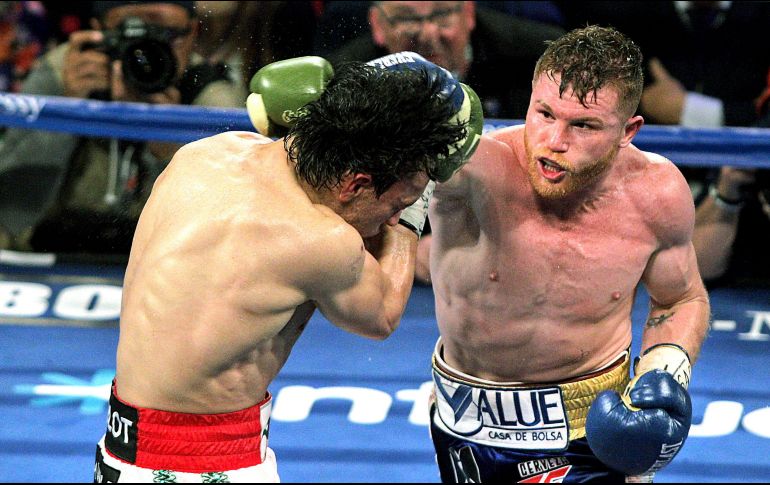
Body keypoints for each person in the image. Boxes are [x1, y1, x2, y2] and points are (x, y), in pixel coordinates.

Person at [94, 52, 483, 482]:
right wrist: (416, 212)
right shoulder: (318, 242)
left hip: (121, 449)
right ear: (356, 184)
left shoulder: (205, 154)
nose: (391, 220)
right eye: (397, 204)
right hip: (204, 464)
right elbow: (382, 314)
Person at [418, 26, 710, 482]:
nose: (554, 139)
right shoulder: (473, 168)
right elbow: (373, 167)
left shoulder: (656, 193)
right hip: (468, 422)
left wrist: (664, 375)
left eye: (583, 125)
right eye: (544, 113)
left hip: (594, 430)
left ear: (628, 131)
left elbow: (680, 299)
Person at [0, 1, 243, 255]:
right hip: (55, 252)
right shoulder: (66, 71)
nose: (145, 50)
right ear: (98, 30)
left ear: (192, 31)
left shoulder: (214, 101)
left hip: (165, 262)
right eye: (129, 33)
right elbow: (9, 215)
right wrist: (65, 116)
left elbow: (227, 236)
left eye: (167, 33)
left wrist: (171, 156)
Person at [326, 1, 564, 120]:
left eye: (442, 15)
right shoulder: (343, 79)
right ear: (378, 25)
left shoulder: (538, 55)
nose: (428, 34)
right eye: (407, 20)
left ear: (469, 13)